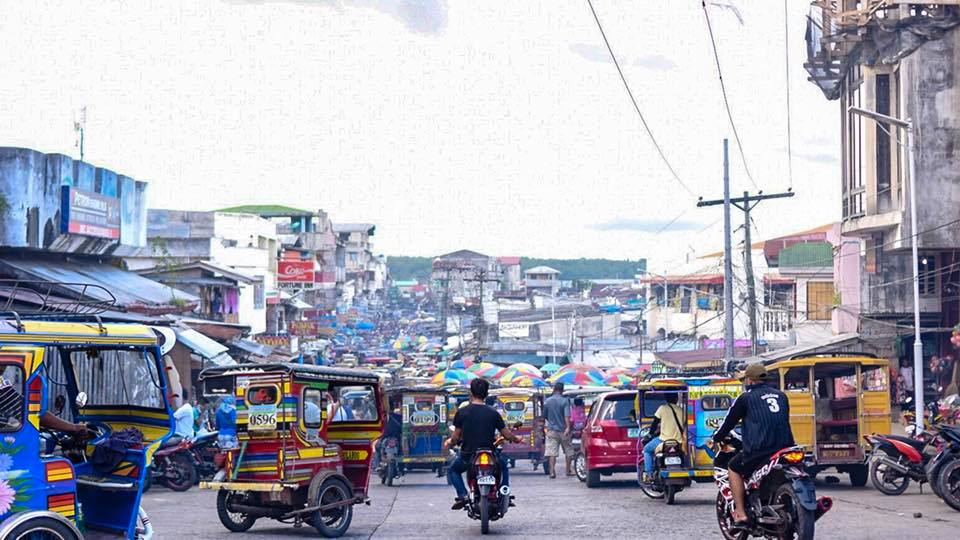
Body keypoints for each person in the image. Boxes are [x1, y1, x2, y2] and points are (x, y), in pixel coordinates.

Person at [712, 363, 794, 526]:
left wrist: (717, 437)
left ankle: (741, 513)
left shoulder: (746, 398)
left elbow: (728, 423)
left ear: (749, 380)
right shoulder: (782, 396)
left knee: (733, 467)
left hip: (759, 450)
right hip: (786, 448)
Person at [444, 378, 521, 509]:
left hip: (468, 455)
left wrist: (449, 442)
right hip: (490, 453)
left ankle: (462, 495)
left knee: (453, 470)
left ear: (471, 393)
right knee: (503, 468)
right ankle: (504, 492)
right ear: (486, 394)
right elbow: (506, 434)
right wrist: (517, 439)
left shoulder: (462, 413)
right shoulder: (493, 413)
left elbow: (456, 437)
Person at [642, 393, 684, 483]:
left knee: (647, 450)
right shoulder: (681, 410)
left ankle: (649, 474)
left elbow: (654, 424)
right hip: (679, 442)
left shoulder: (662, 408)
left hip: (663, 441)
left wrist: (650, 434)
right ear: (677, 399)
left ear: (666, 398)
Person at [543, 382, 573, 478]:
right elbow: (567, 416)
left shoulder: (547, 401)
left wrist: (551, 422)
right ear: (562, 390)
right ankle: (568, 470)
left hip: (551, 430)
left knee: (552, 453)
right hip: (564, 430)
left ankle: (552, 472)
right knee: (568, 450)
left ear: (554, 389)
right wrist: (568, 427)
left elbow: (545, 416)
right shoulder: (565, 401)